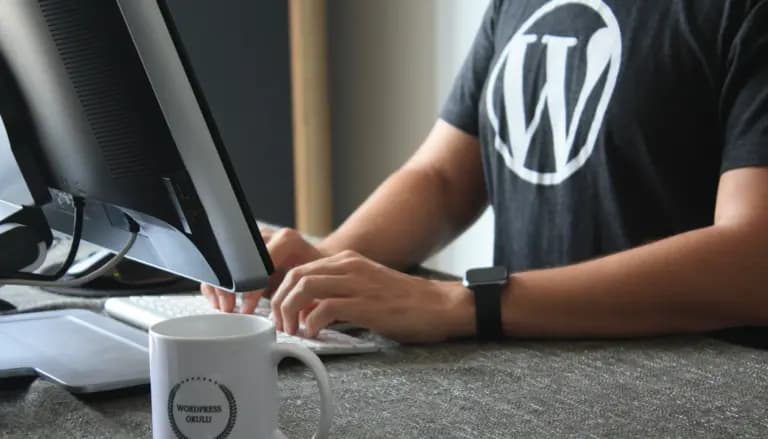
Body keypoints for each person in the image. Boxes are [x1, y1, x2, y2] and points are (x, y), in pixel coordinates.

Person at [202, 0, 768, 344]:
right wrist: (330, 267)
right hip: (531, 368)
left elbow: (754, 261)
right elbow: (444, 178)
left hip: (691, 388)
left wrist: (462, 305)